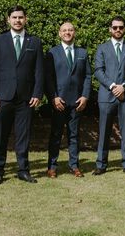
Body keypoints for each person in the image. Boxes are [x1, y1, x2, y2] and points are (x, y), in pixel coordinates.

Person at [0, 5, 43, 184]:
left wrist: (37, 93)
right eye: (14, 17)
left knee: (23, 136)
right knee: (1, 136)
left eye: (21, 17)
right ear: (8, 20)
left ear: (26, 19)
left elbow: (39, 71)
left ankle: (23, 170)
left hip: (26, 98)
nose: (17, 20)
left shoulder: (34, 42)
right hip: (2, 97)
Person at [93, 16, 125, 175]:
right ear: (110, 29)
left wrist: (124, 86)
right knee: (104, 130)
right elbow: (98, 70)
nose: (118, 30)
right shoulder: (102, 48)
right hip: (107, 95)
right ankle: (101, 164)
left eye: (121, 27)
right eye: (115, 27)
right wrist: (113, 86)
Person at [45, 21, 91, 178]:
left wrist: (85, 96)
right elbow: (48, 78)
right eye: (64, 30)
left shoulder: (82, 53)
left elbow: (87, 76)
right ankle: (52, 166)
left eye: (70, 30)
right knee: (56, 135)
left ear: (74, 32)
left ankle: (74, 165)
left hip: (77, 101)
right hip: (59, 102)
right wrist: (53, 97)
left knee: (74, 135)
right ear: (59, 33)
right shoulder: (52, 52)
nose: (67, 32)